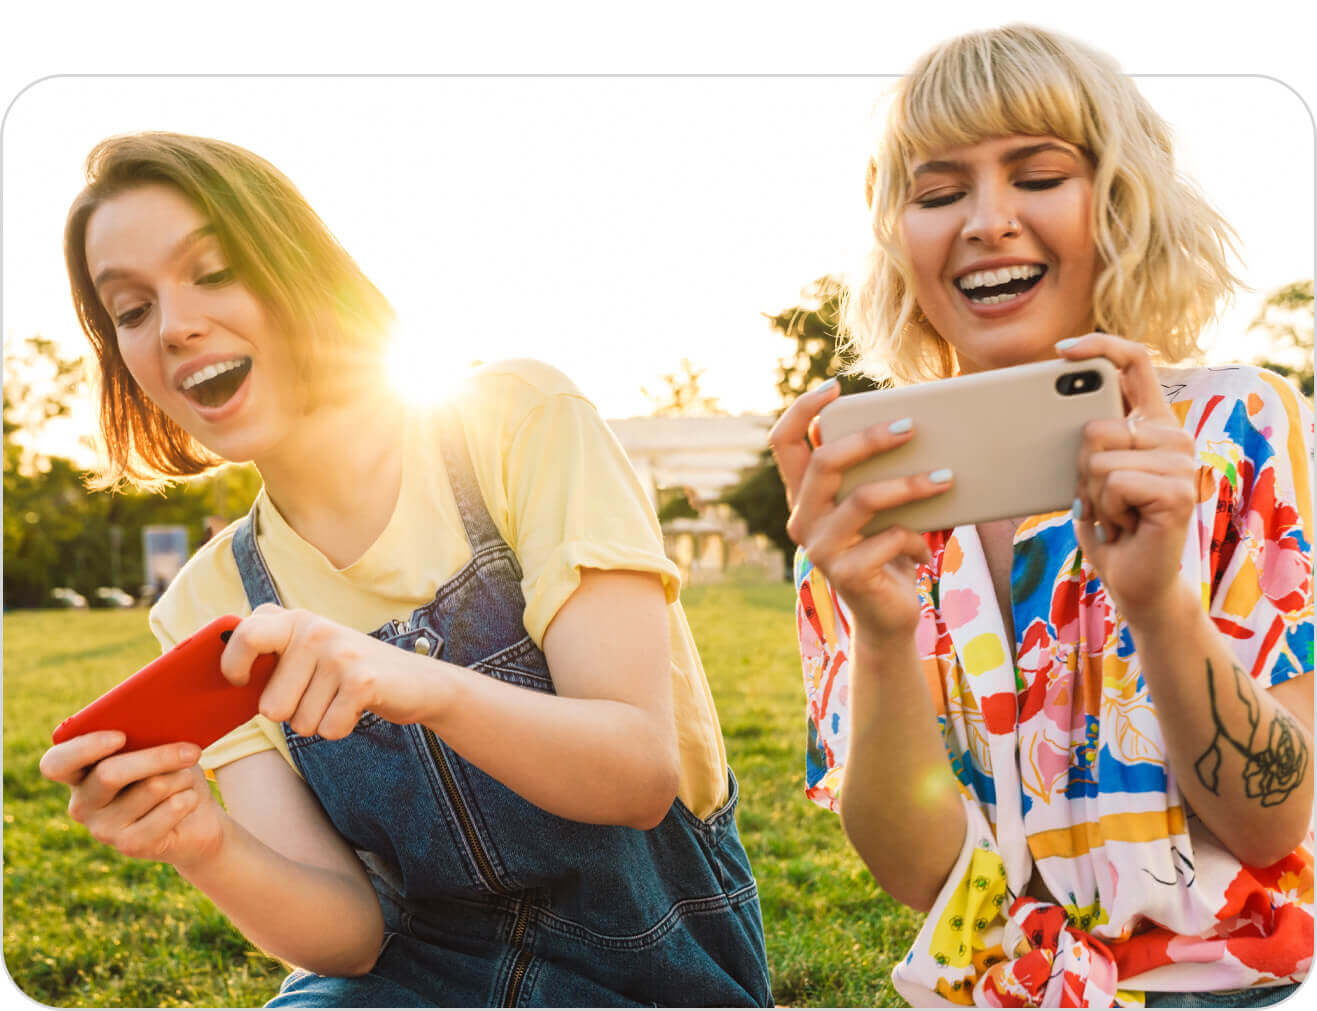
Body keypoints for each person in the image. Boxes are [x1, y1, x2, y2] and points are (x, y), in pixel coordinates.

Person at [40, 132, 772, 1008]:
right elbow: (348, 936)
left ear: (298, 268)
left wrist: (412, 683)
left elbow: (636, 774)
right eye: (131, 310)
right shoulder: (207, 599)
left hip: (656, 966)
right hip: (417, 975)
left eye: (214, 269)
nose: (176, 325)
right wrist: (202, 842)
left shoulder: (516, 419)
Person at [770, 26, 1313, 1009]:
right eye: (938, 194)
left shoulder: (1234, 428)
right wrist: (885, 633)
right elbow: (925, 880)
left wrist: (1158, 604)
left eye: (1038, 175)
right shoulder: (862, 492)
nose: (987, 221)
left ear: (1119, 204)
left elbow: (1272, 824)